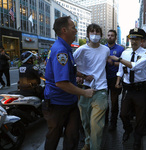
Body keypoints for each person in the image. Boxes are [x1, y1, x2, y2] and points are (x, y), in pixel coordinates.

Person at [43, 16, 94, 150]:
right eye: (73, 28)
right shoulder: (61, 51)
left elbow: (69, 70)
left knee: (72, 137)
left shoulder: (65, 48)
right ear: (64, 30)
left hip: (69, 101)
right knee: (53, 138)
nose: (76, 31)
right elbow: (61, 83)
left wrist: (83, 76)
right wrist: (84, 92)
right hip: (57, 103)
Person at [110, 28, 146, 150]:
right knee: (123, 114)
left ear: (142, 41)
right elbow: (121, 70)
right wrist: (118, 82)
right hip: (127, 89)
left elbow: (134, 66)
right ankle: (127, 129)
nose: (134, 41)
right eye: (132, 38)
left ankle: (137, 137)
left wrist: (118, 59)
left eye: (137, 39)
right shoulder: (125, 53)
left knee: (140, 116)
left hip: (140, 89)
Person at [73, 23, 110, 150]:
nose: (95, 35)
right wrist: (82, 76)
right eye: (92, 32)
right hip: (84, 90)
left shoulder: (106, 50)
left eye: (97, 32)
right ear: (87, 34)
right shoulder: (81, 50)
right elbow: (70, 67)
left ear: (101, 35)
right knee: (86, 122)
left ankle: (94, 147)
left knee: (96, 124)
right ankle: (88, 142)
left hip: (101, 90)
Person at [105, 29, 124, 131]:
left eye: (112, 35)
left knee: (114, 101)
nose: (110, 37)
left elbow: (124, 63)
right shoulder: (102, 48)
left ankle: (113, 123)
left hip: (115, 78)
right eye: (108, 35)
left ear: (115, 37)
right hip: (103, 78)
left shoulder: (120, 49)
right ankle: (105, 120)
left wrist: (113, 63)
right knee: (104, 101)